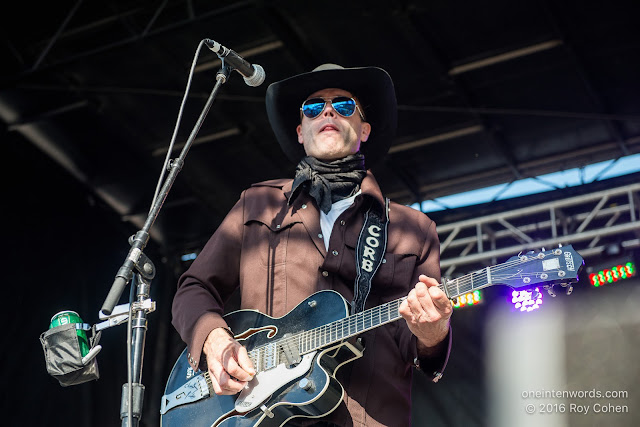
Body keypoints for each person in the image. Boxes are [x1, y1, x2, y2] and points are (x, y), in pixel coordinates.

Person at [171, 64, 452, 426]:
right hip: (259, 416)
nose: (329, 111)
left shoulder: (412, 228)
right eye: (313, 107)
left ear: (364, 129)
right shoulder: (257, 203)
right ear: (301, 131)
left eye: (344, 105)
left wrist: (433, 332)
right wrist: (214, 340)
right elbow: (193, 288)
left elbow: (418, 345)